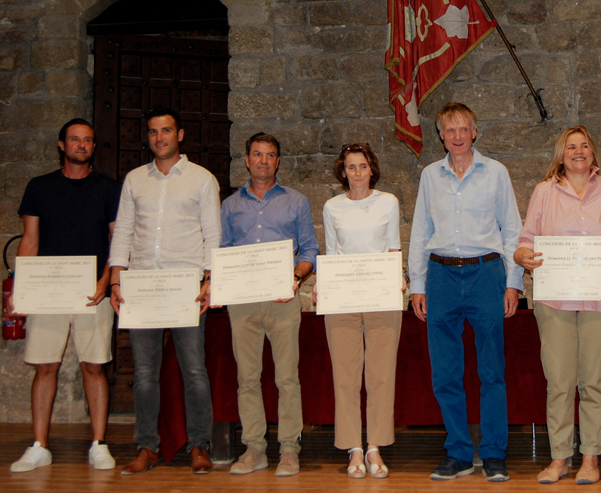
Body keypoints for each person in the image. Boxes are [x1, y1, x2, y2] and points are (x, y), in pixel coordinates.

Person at [513, 126, 601, 485]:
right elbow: (526, 240)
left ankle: (591, 458)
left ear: (593, 153)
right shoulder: (543, 191)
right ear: (561, 154)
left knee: (594, 381)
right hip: (556, 297)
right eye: (571, 146)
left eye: (584, 146)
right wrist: (524, 256)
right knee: (560, 382)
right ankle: (559, 458)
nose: (578, 151)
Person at [408, 102, 523, 482]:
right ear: (440, 135)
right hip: (441, 275)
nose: (456, 136)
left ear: (475, 132)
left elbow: (511, 228)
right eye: (449, 130)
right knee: (446, 372)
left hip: (486, 274)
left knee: (491, 371)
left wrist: (513, 282)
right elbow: (420, 232)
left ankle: (492, 453)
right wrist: (418, 284)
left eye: (463, 129)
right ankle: (458, 451)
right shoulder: (430, 176)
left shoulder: (496, 173)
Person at [108, 105, 220, 475]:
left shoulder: (202, 179)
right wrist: (115, 277)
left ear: (180, 134)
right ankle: (146, 446)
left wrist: (210, 279)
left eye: (167, 131)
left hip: (184, 287)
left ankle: (199, 445)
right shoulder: (134, 180)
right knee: (144, 374)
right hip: (141, 286)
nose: (160, 138)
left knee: (194, 372)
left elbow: (212, 233)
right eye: (154, 132)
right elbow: (123, 230)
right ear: (149, 137)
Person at [9, 119, 120, 473]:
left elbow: (117, 241)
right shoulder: (39, 187)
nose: (81, 145)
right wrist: (20, 288)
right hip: (47, 290)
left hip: (93, 291)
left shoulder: (108, 188)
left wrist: (107, 281)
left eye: (87, 140)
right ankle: (40, 445)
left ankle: (99, 444)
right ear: (61, 145)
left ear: (93, 147)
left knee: (94, 366)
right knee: (45, 366)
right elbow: (29, 240)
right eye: (75, 139)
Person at [220, 132, 319, 477]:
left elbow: (310, 251)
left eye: (271, 155)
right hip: (242, 302)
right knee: (247, 377)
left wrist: (295, 277)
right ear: (246, 160)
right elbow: (223, 252)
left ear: (278, 161)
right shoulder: (230, 205)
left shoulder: (296, 202)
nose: (263, 160)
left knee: (286, 377)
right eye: (257, 154)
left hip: (283, 299)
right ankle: (255, 448)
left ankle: (289, 449)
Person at [317, 143, 403, 479]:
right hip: (343, 300)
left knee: (381, 375)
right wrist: (324, 287)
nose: (357, 173)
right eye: (351, 167)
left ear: (372, 170)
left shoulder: (388, 203)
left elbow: (394, 246)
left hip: (381, 296)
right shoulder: (332, 207)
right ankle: (353, 446)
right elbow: (332, 252)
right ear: (343, 172)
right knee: (346, 376)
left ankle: (375, 446)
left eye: (362, 166)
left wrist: (398, 279)